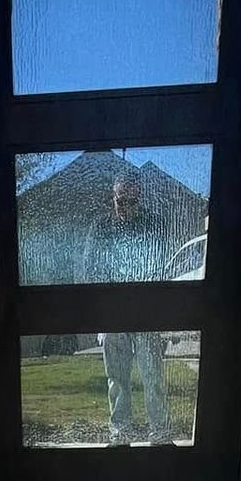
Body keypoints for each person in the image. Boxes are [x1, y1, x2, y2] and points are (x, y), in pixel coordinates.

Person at [81, 174, 172, 445]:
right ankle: (121, 434)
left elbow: (158, 268)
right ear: (114, 198)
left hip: (146, 315)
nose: (126, 207)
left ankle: (161, 434)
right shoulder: (100, 228)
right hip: (112, 316)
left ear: (139, 198)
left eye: (132, 201)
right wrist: (102, 315)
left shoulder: (154, 224)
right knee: (117, 380)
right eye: (122, 201)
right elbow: (90, 271)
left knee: (153, 377)